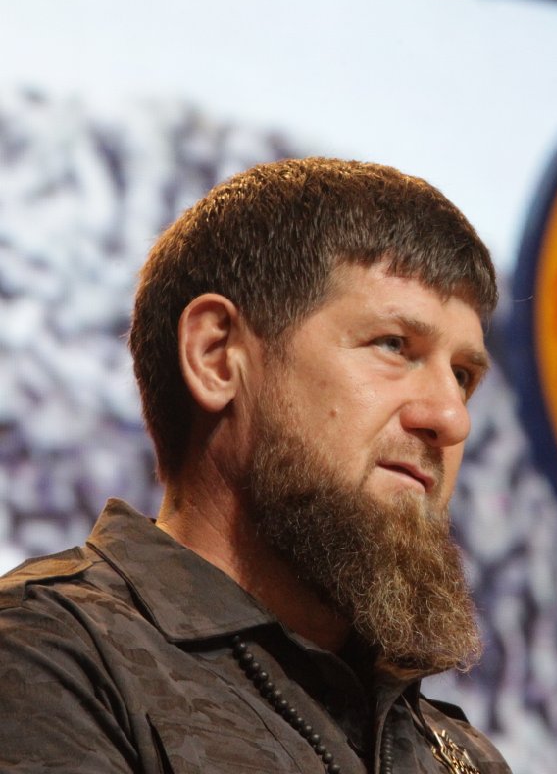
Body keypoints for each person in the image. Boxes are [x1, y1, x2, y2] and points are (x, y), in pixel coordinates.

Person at [0, 157, 512, 773]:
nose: (452, 419)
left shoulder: (462, 754)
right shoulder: (47, 652)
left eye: (463, 376)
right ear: (217, 356)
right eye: (394, 346)